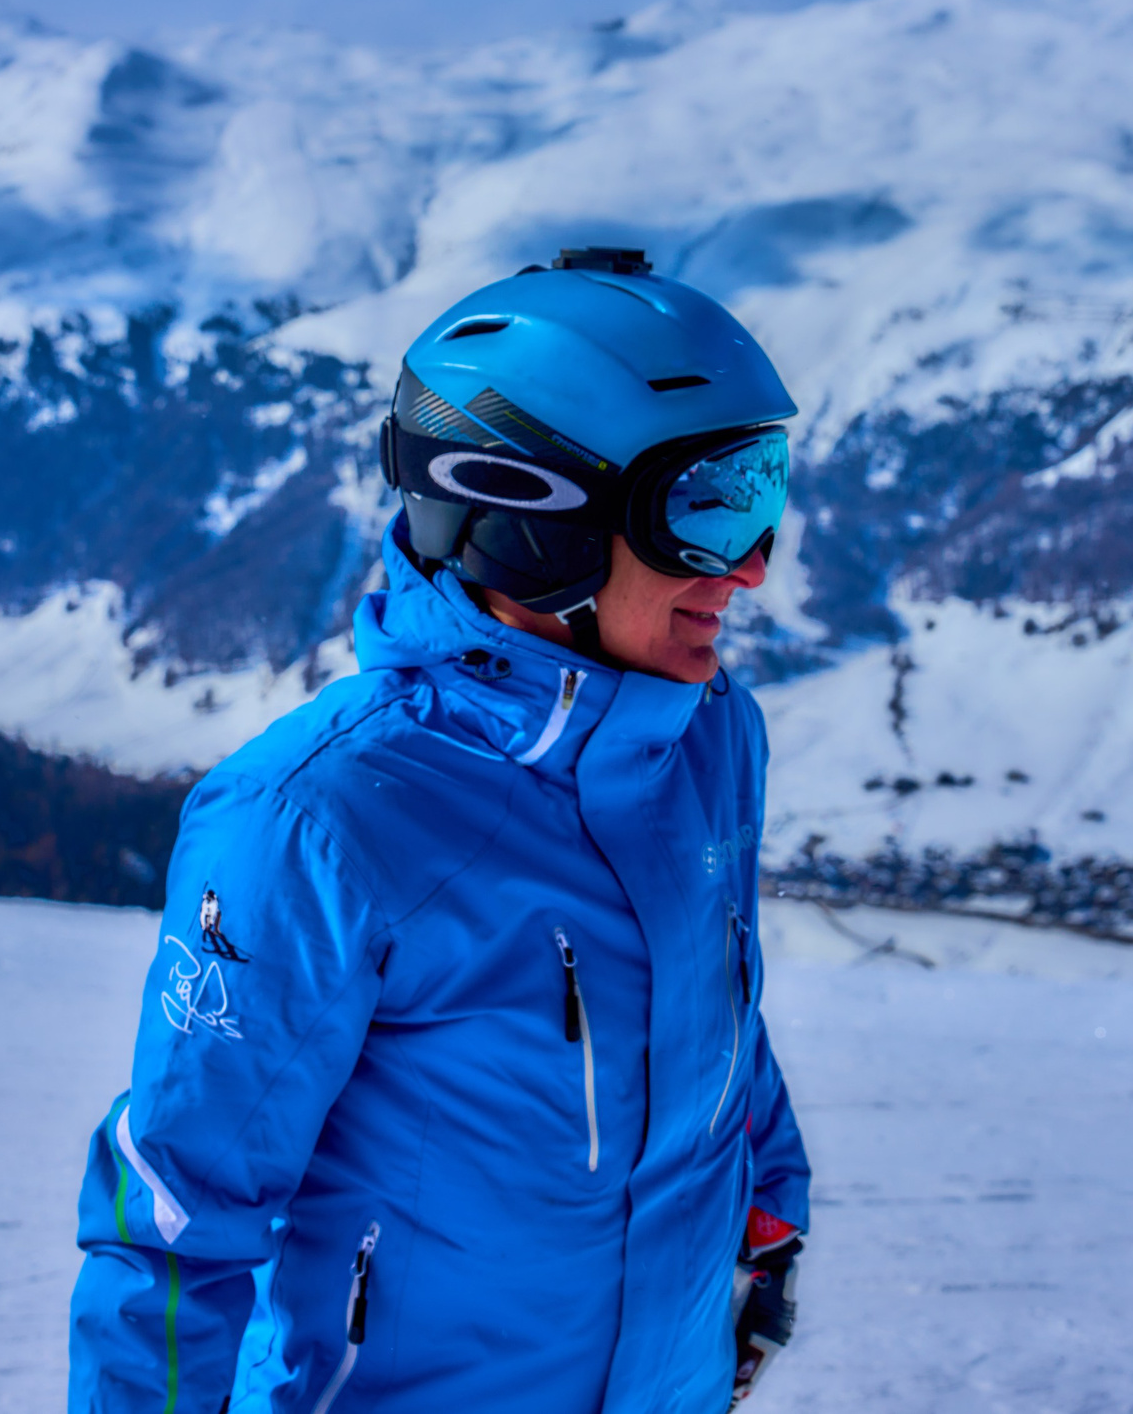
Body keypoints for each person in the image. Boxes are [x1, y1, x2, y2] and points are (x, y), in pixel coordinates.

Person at [67, 248, 813, 1412]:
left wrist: (768, 1213)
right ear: (537, 520)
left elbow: (716, 1012)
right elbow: (170, 1221)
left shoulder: (708, 740)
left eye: (762, 487)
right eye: (705, 508)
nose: (754, 566)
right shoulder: (319, 820)